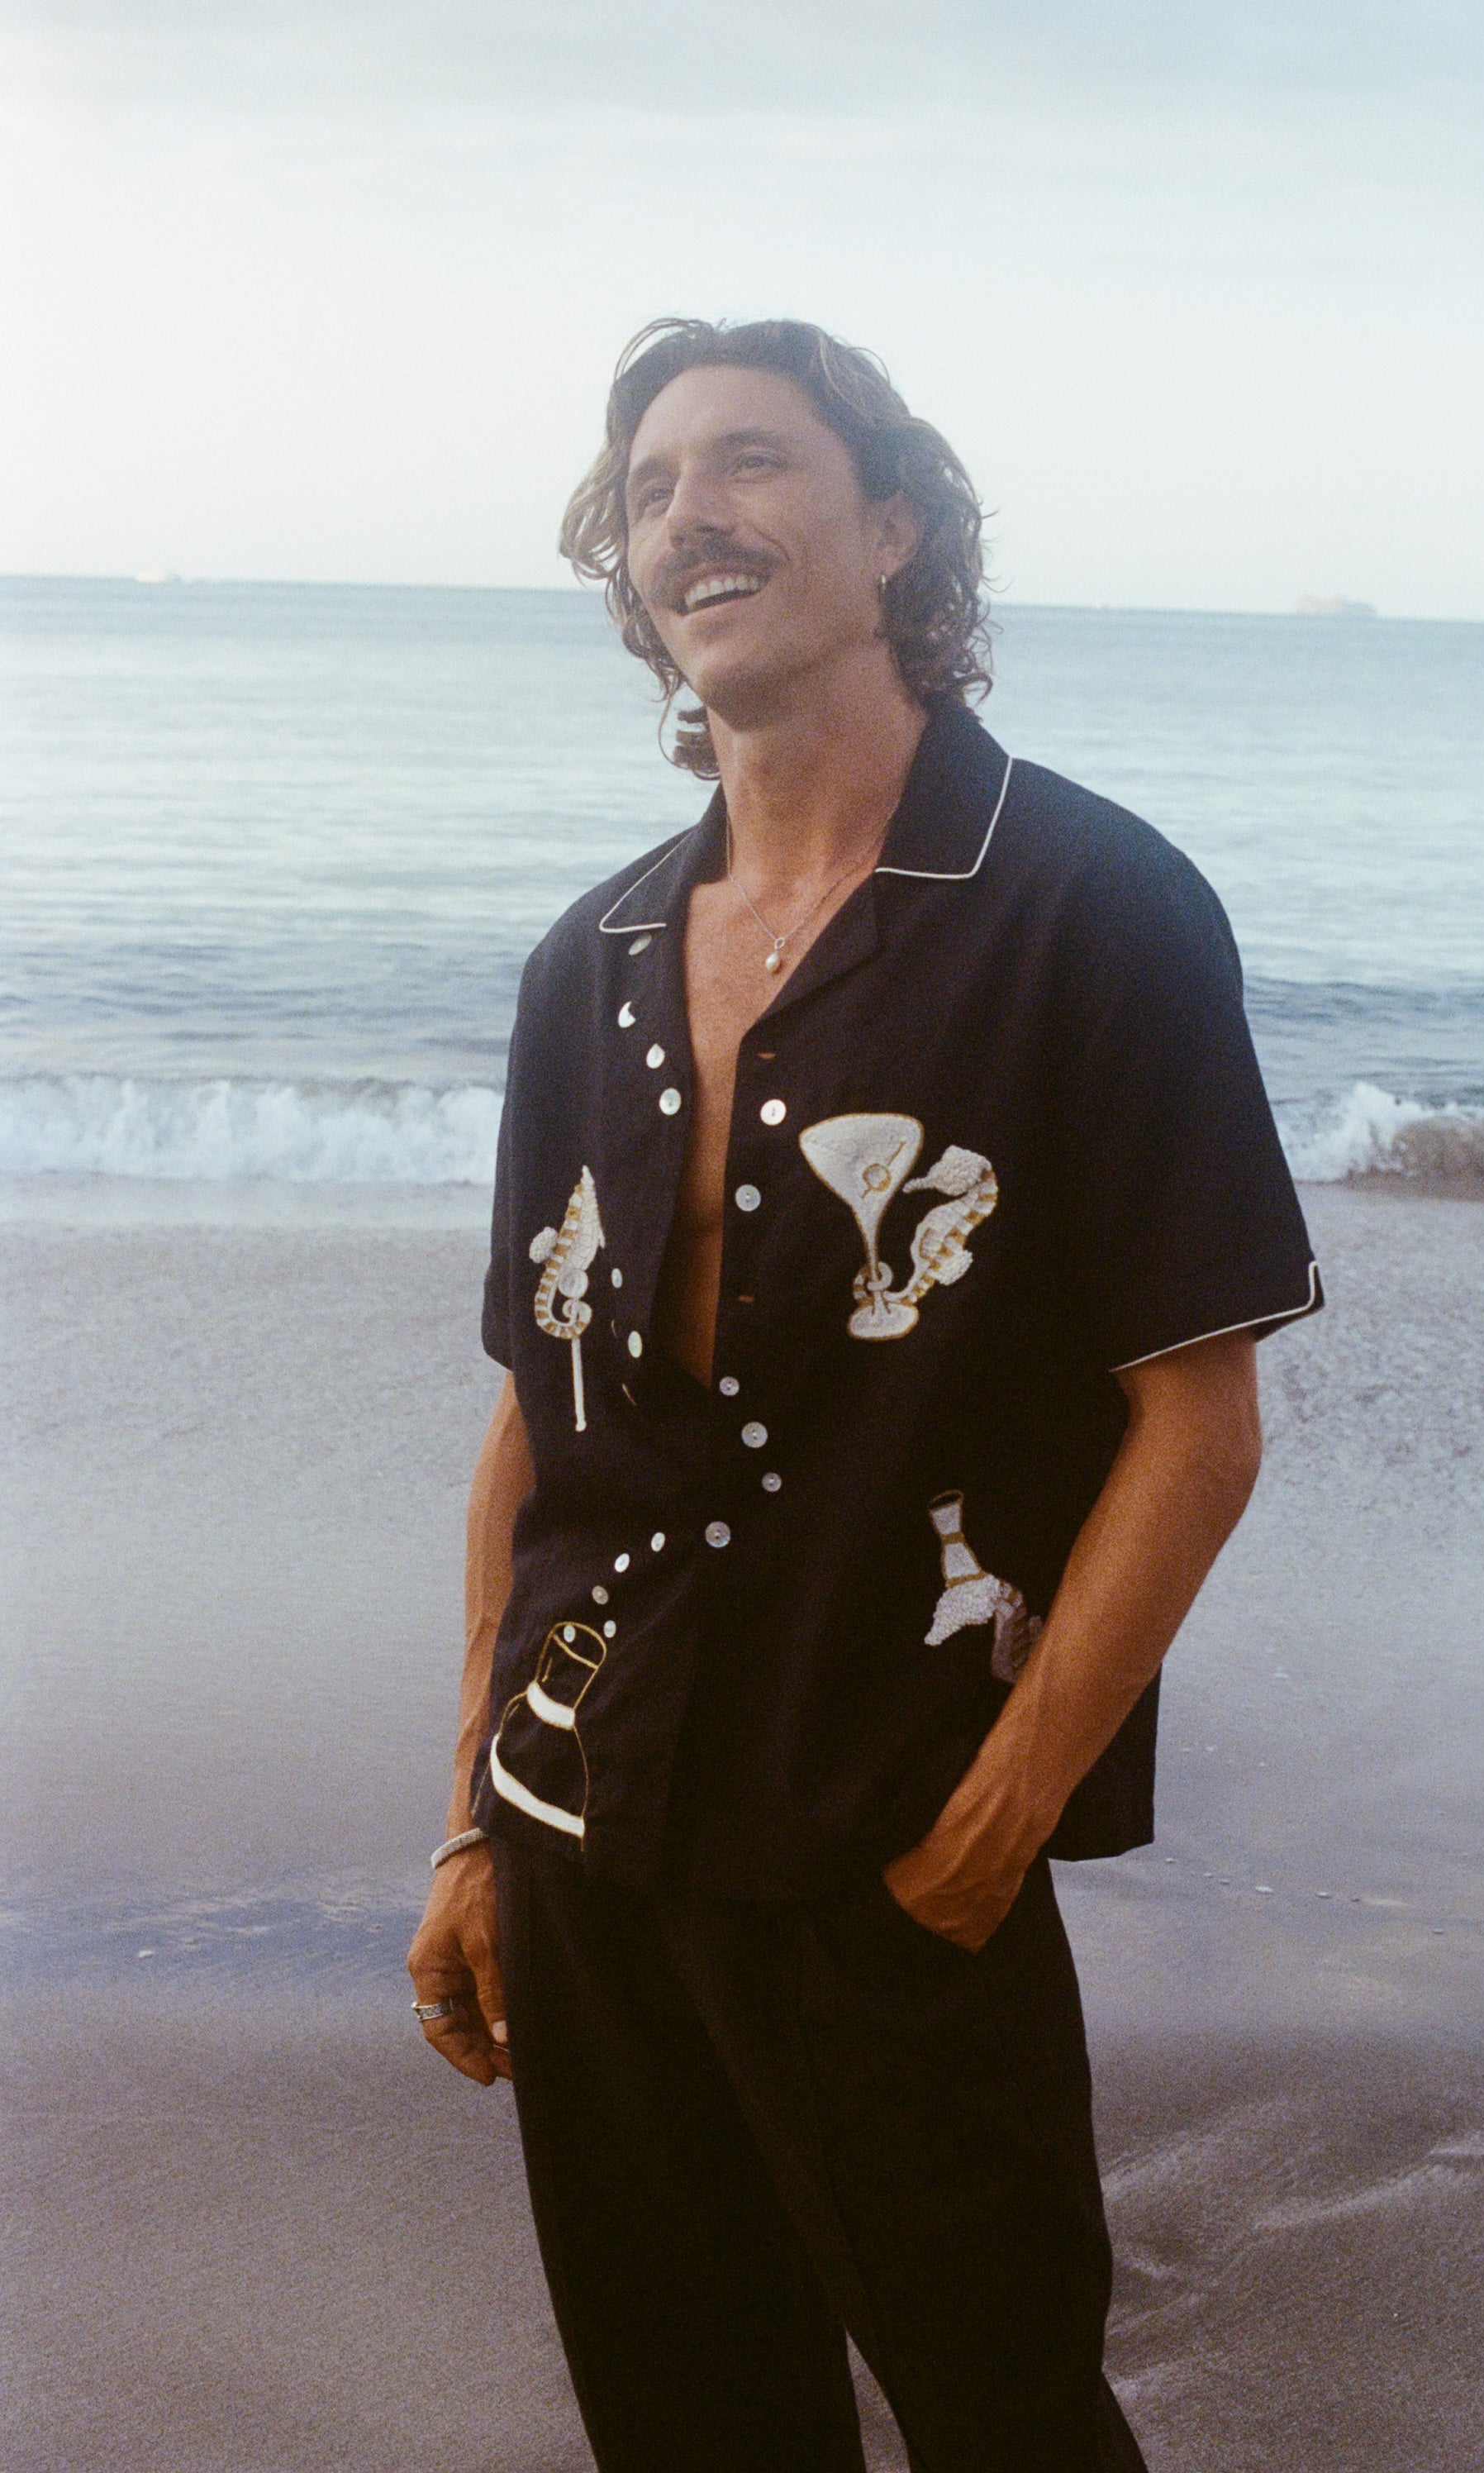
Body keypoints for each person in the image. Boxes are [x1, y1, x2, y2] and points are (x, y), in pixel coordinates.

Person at [407, 316, 1321, 2473]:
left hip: (891, 1844)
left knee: (1010, 2414)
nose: (689, 516)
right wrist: (469, 1815)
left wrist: (1002, 1814)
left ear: (894, 526)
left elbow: (1198, 1420)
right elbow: (534, 1431)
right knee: (687, 2423)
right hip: (584, 1835)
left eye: (753, 463)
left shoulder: (1088, 910)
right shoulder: (592, 963)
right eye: (648, 488)